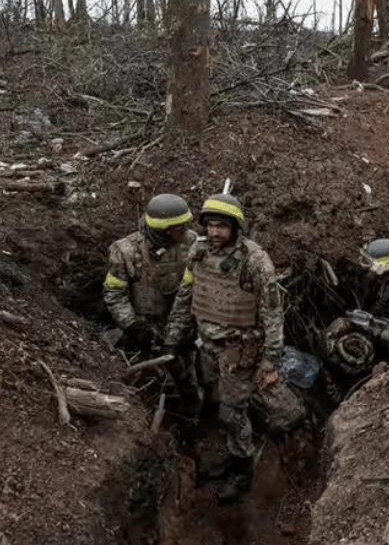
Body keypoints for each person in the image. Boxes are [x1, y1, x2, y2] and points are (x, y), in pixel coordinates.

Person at [163, 192, 304, 504]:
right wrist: (173, 334)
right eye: (210, 225)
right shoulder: (198, 252)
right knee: (216, 401)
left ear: (236, 228)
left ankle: (242, 468)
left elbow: (271, 313)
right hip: (207, 346)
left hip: (239, 351)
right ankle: (231, 453)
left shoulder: (255, 260)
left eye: (221, 227)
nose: (214, 232)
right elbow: (186, 294)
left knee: (231, 412)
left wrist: (270, 359)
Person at [103, 193, 197, 355]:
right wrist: (133, 326)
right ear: (163, 231)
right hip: (144, 327)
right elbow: (114, 293)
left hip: (182, 324)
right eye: (180, 226)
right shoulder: (125, 251)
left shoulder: (191, 242)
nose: (186, 229)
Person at [324, 238, 389, 378]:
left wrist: (378, 331)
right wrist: (369, 320)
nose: (370, 273)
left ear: (384, 268)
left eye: (371, 269)